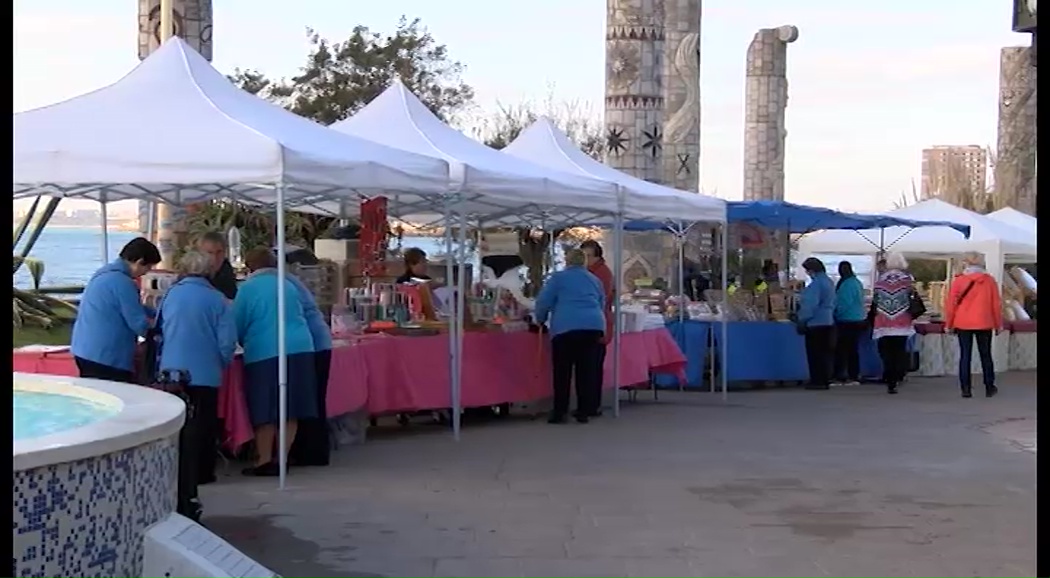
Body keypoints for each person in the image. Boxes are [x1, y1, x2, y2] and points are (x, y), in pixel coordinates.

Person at [234, 247, 318, 476]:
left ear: (250, 267)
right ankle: (283, 457)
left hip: (266, 349)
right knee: (291, 407)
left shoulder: (247, 288)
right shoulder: (289, 284)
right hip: (301, 346)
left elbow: (236, 324)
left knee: (265, 408)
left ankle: (263, 459)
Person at [157, 250, 238, 485]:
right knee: (204, 423)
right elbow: (227, 340)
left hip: (171, 368)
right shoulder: (217, 299)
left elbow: (160, 328)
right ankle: (203, 471)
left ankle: (178, 469)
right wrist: (222, 361)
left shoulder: (171, 294)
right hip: (205, 370)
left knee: (178, 422)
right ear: (209, 272)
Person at [71, 237, 161, 383]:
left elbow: (127, 305)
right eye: (148, 267)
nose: (146, 273)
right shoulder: (123, 283)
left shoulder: (103, 274)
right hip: (106, 356)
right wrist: (162, 327)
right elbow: (139, 324)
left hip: (84, 350)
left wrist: (154, 311)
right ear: (139, 262)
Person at [533, 249, 606, 424]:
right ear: (583, 262)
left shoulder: (558, 278)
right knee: (586, 370)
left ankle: (560, 412)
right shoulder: (594, 279)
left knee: (562, 371)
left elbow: (544, 301)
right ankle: (583, 411)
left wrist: (540, 319)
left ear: (567, 261)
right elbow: (602, 301)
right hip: (593, 325)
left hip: (566, 327)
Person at [286, 263, 335, 468]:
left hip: (313, 345)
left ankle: (311, 452)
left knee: (309, 402)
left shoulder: (286, 285)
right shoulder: (293, 282)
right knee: (314, 401)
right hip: (318, 342)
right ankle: (314, 451)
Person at [944, 251, 1003, 398]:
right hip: (985, 322)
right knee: (986, 355)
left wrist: (949, 323)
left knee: (965, 356)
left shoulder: (959, 281)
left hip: (963, 323)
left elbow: (951, 305)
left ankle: (966, 389)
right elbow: (996, 304)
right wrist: (998, 324)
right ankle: (989, 386)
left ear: (966, 262)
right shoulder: (989, 281)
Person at [870, 252, 915, 395]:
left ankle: (889, 378)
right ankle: (897, 378)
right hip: (902, 321)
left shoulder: (880, 280)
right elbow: (912, 299)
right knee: (899, 351)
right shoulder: (907, 280)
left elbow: (875, 301)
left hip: (883, 321)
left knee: (886, 352)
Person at [580, 239, 614, 416]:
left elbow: (603, 299)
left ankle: (592, 405)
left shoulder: (601, 274)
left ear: (597, 256)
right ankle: (589, 404)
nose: (585, 259)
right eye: (583, 256)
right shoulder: (589, 273)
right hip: (594, 323)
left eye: (588, 256)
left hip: (597, 324)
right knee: (589, 367)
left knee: (592, 366)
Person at [797, 257, 836, 390]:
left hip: (816, 323)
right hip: (828, 321)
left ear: (811, 270)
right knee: (825, 354)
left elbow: (809, 305)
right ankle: (825, 379)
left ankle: (817, 381)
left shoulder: (815, 285)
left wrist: (802, 319)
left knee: (815, 354)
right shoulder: (829, 282)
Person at [833, 261, 866, 386]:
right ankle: (854, 375)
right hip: (858, 319)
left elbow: (843, 303)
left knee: (842, 350)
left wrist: (835, 314)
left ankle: (841, 375)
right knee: (853, 350)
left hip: (846, 320)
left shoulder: (846, 284)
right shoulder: (856, 282)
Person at [197, 232, 238, 300]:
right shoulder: (195, 274)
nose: (215, 258)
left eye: (219, 252)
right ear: (201, 254)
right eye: (210, 253)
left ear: (225, 252)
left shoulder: (226, 270)